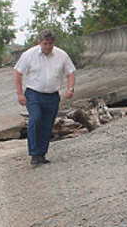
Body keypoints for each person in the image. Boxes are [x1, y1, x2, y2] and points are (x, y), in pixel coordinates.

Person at [14, 29, 76, 166]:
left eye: (50, 43)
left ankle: (41, 154)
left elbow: (70, 72)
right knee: (35, 119)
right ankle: (34, 153)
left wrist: (70, 88)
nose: (48, 46)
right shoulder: (29, 55)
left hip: (52, 95)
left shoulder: (61, 55)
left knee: (47, 124)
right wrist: (20, 93)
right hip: (34, 94)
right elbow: (18, 72)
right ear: (39, 42)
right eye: (45, 43)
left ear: (54, 43)